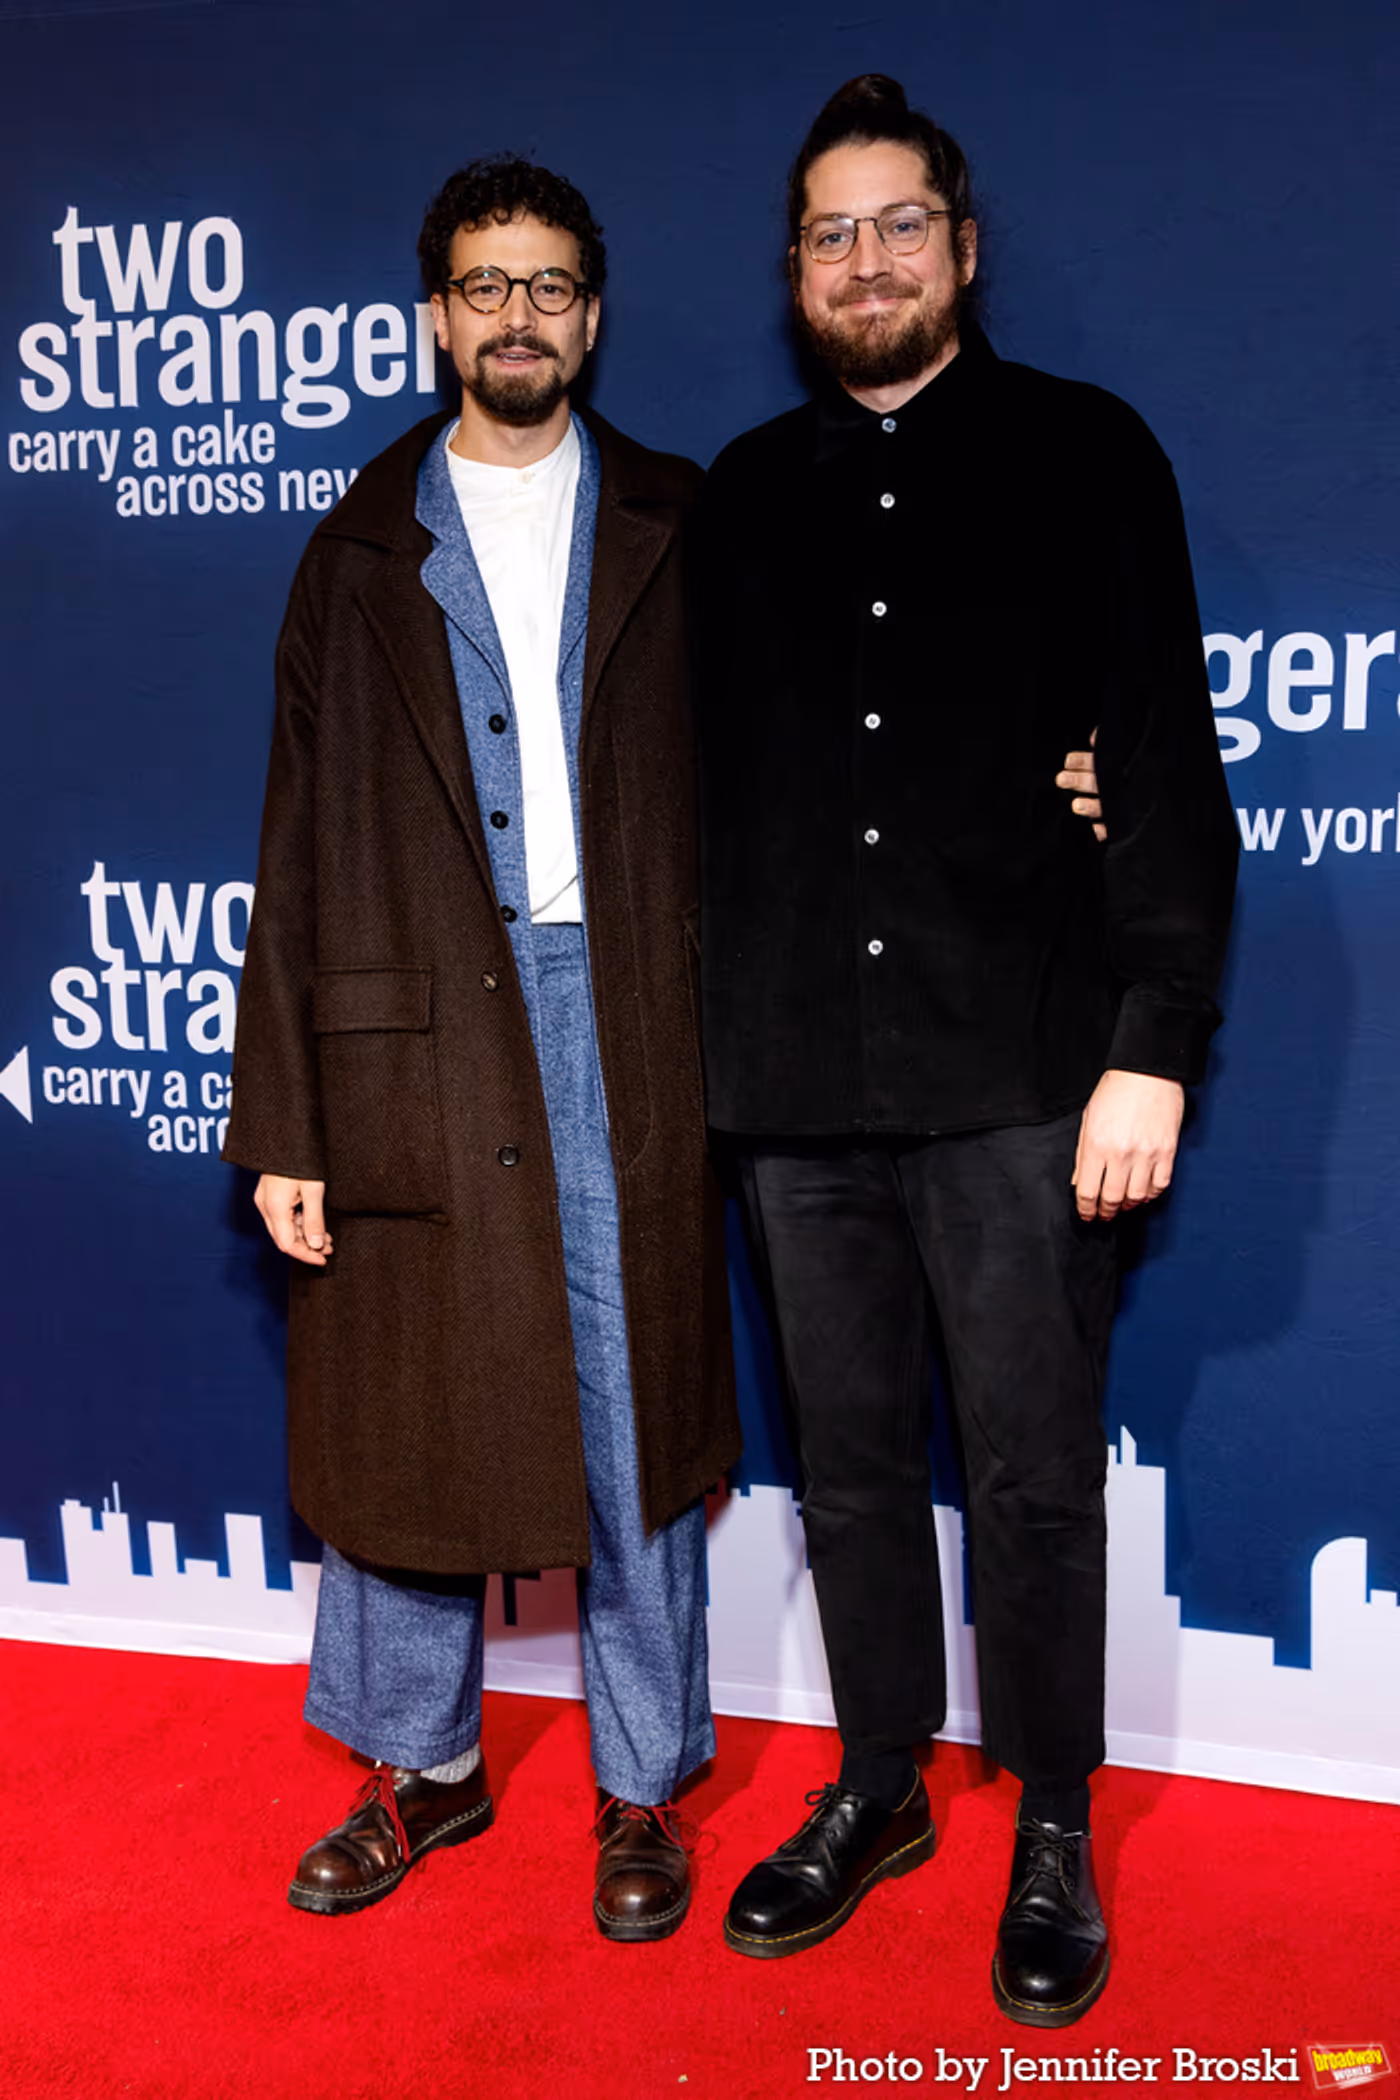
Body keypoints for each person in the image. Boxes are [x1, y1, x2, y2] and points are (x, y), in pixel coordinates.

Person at [697, 76, 1238, 2025]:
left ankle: (1055, 1822)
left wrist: (1151, 1042)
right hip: (793, 1086)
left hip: (1023, 1075)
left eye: (898, 223)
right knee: (843, 1473)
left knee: (1026, 1481)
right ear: (794, 272)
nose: (867, 261)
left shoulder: (1092, 458)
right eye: (831, 235)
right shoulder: (737, 498)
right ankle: (871, 1788)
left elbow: (1162, 762)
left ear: (963, 244)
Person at [223, 154, 740, 1941]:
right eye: (482, 284)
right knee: (409, 1420)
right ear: (435, 313)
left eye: (548, 284)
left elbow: (807, 769)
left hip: (629, 1016)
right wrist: (282, 1115)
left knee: (635, 1408)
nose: (515, 314)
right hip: (411, 1030)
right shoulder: (355, 550)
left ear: (589, 312)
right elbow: (294, 840)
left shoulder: (682, 518)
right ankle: (419, 1772)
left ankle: (644, 1790)